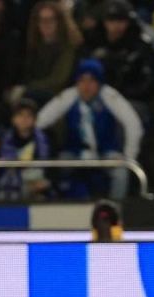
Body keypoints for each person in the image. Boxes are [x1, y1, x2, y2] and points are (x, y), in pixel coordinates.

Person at [35, 58, 143, 199]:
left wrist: (129, 157)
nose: (86, 86)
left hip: (106, 152)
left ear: (99, 83)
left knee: (121, 172)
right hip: (75, 152)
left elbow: (133, 124)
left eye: (91, 81)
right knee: (57, 166)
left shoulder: (109, 96)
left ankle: (115, 209)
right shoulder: (69, 96)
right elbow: (40, 121)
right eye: (82, 80)